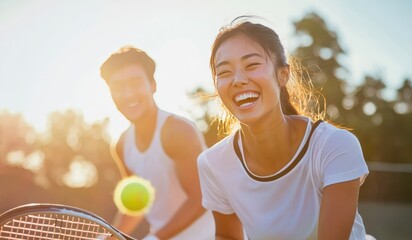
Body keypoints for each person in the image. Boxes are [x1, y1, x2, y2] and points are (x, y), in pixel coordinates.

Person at [197, 16, 371, 240]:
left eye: (252, 65)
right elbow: (227, 237)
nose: (238, 80)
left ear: (283, 74)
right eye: (224, 72)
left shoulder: (335, 145)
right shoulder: (213, 163)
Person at [100, 46, 215, 240]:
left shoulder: (178, 131)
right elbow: (137, 205)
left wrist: (155, 237)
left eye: (135, 83)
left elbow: (201, 198)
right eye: (117, 87)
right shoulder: (121, 145)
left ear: (152, 85)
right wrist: (112, 237)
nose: (127, 94)